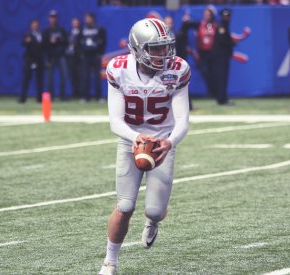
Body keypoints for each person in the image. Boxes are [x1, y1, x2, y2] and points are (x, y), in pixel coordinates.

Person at [99, 18, 190, 275]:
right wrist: (134, 137)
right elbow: (115, 121)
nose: (164, 54)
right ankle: (110, 262)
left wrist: (169, 142)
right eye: (156, 48)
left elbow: (183, 120)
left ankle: (152, 220)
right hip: (131, 139)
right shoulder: (118, 69)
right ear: (138, 48)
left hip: (162, 140)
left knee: (155, 209)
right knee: (125, 205)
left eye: (165, 47)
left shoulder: (178, 69)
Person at [164, 15, 194, 110]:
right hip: (164, 65)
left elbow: (183, 35)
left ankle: (188, 105)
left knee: (183, 84)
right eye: (166, 23)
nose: (168, 25)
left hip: (175, 64)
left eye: (170, 23)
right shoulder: (158, 37)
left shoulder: (177, 34)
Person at [78, 12, 106, 102]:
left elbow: (103, 41)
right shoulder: (82, 29)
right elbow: (78, 42)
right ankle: (85, 97)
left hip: (96, 56)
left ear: (92, 18)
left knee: (97, 77)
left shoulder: (99, 28)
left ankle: (98, 97)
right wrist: (81, 53)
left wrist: (100, 53)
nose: (87, 20)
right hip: (86, 56)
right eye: (86, 18)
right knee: (85, 77)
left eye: (88, 18)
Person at [43, 10, 68, 101]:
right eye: (51, 17)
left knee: (63, 76)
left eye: (54, 17)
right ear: (49, 18)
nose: (53, 19)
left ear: (56, 18)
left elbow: (66, 42)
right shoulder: (46, 31)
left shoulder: (61, 30)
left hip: (60, 55)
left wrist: (58, 40)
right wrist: (46, 59)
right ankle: (50, 96)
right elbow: (44, 45)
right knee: (49, 78)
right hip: (51, 57)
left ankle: (62, 95)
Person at [213, 9, 235, 105]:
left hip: (223, 56)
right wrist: (231, 43)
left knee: (223, 77)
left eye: (228, 16)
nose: (227, 18)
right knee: (222, 77)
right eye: (226, 16)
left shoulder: (224, 26)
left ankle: (222, 97)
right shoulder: (221, 26)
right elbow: (222, 41)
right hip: (221, 56)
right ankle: (221, 99)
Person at [19, 19, 44, 103]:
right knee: (26, 78)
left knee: (39, 80)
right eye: (34, 24)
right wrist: (26, 41)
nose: (35, 26)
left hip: (39, 60)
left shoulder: (40, 34)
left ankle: (39, 98)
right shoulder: (28, 34)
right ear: (31, 26)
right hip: (30, 59)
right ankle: (23, 97)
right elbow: (23, 43)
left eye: (36, 24)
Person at [66, 17, 82, 99]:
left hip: (78, 57)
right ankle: (74, 93)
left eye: (76, 22)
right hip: (70, 56)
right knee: (72, 75)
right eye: (74, 23)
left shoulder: (81, 32)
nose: (75, 24)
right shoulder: (70, 32)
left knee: (79, 75)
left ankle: (80, 93)